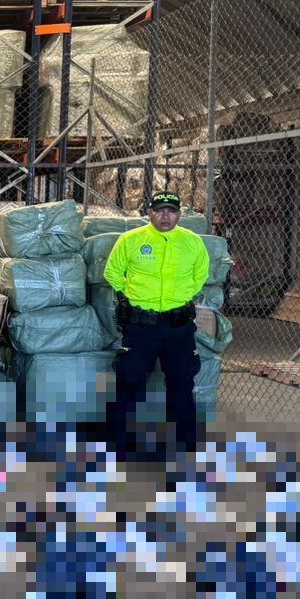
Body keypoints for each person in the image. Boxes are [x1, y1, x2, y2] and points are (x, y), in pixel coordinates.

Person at [101, 191, 210, 458]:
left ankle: (184, 447)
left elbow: (200, 276)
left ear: (179, 215)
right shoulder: (131, 240)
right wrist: (133, 296)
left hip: (179, 327)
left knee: (181, 383)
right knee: (130, 381)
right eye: (159, 210)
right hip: (141, 327)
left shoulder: (192, 242)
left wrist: (178, 299)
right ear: (149, 213)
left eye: (171, 211)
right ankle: (118, 446)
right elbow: (112, 272)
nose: (165, 216)